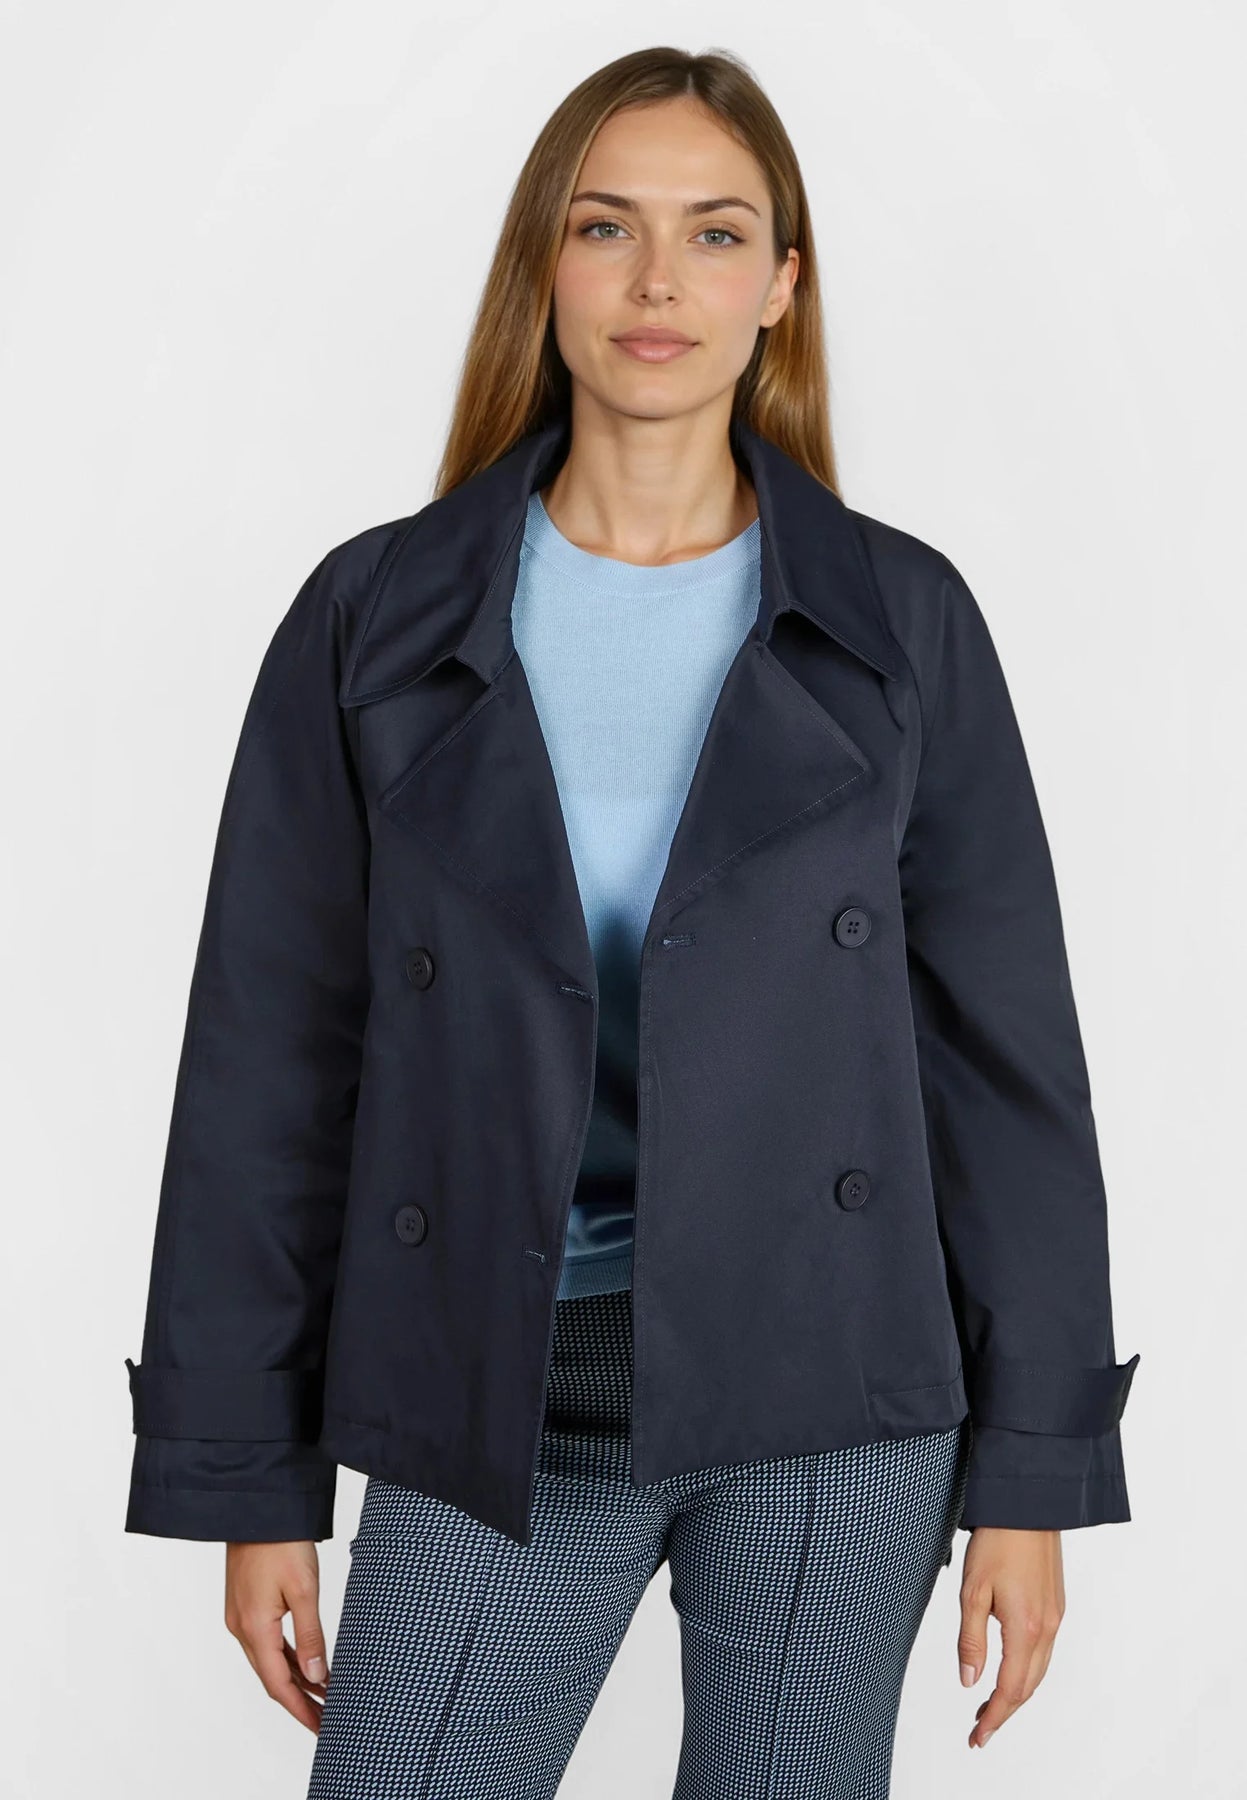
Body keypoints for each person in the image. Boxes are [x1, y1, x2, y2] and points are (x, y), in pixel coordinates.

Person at [123, 46, 1139, 1799]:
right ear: (546, 263)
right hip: (492, 1381)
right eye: (608, 228)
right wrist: (247, 1476)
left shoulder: (900, 626)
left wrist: (1033, 1478)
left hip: (830, 1385)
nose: (660, 281)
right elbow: (268, 1067)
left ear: (781, 287)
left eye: (716, 234)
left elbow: (1005, 1070)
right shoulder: (374, 621)